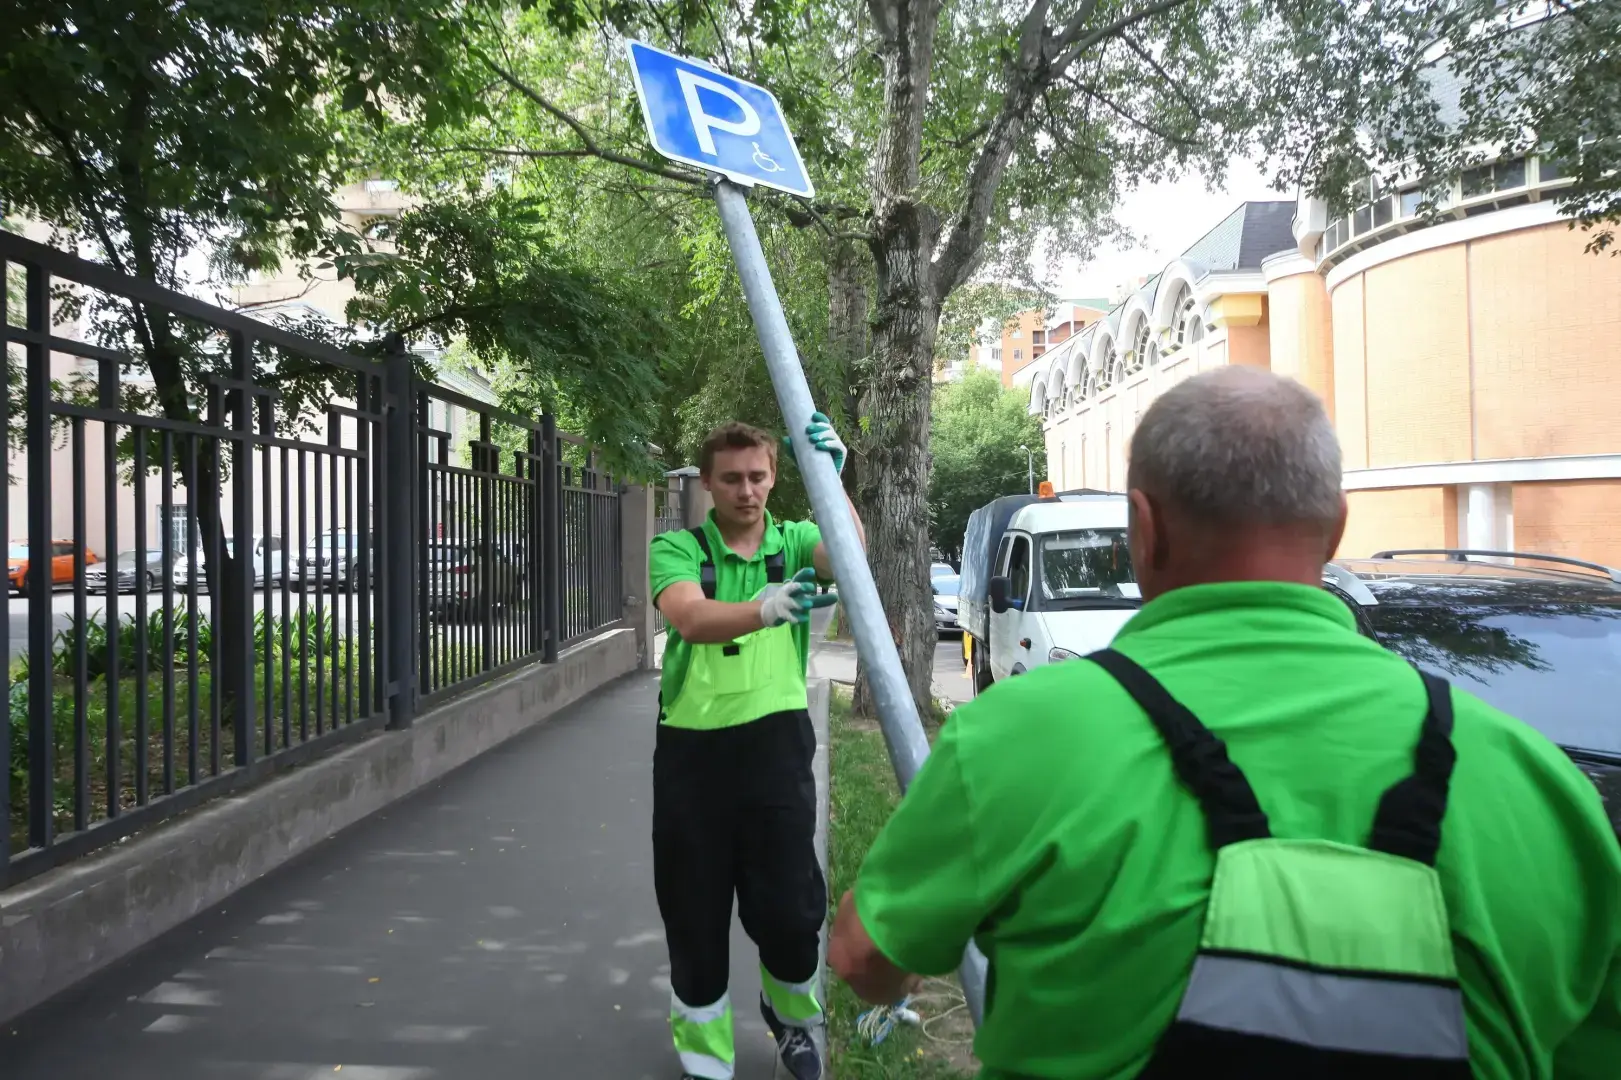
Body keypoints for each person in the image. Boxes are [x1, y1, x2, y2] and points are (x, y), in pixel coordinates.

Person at [828, 367, 1621, 1079]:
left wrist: (898, 977)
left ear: (1144, 527)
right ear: (1335, 528)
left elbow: (864, 954)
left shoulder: (1017, 736)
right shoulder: (1542, 783)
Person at [650, 414, 863, 1080]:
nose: (747, 491)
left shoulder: (795, 539)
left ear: (773, 476)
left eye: (758, 477)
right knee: (695, 914)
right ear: (709, 484)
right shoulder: (679, 548)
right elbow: (687, 614)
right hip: (693, 757)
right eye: (732, 479)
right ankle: (705, 1059)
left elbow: (851, 558)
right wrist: (762, 609)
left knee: (792, 912)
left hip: (775, 749)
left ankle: (793, 1024)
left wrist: (831, 474)